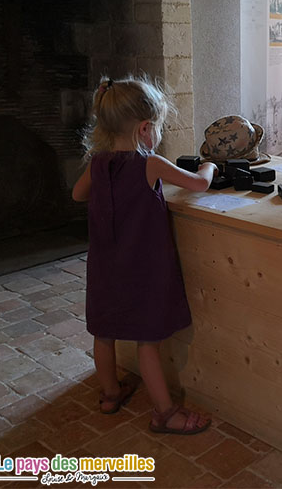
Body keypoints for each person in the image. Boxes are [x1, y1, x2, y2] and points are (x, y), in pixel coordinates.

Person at [72, 75, 217, 435]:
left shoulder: (98, 163)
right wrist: (209, 166)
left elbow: (77, 195)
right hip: (142, 270)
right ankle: (165, 412)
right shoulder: (149, 164)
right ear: (144, 129)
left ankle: (109, 395)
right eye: (157, 128)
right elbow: (198, 185)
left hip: (105, 268)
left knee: (103, 333)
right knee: (147, 342)